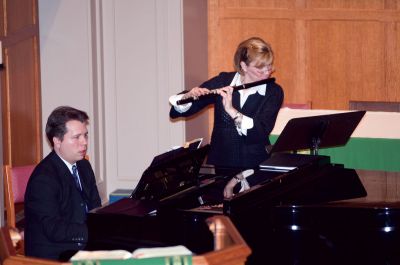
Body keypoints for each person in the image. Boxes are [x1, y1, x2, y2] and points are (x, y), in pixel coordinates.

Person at [169, 37, 284, 170]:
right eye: (260, 68)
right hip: (222, 164)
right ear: (243, 66)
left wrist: (232, 111)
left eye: (269, 66)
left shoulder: (273, 91)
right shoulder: (223, 81)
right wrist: (188, 96)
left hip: (255, 166)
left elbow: (260, 132)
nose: (267, 73)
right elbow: (177, 112)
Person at [24, 106, 101, 260]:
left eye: (85, 135)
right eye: (76, 137)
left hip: (82, 245)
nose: (84, 142)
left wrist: (107, 228)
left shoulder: (84, 165)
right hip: (54, 254)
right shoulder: (44, 178)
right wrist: (94, 232)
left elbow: (95, 207)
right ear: (57, 141)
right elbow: (54, 229)